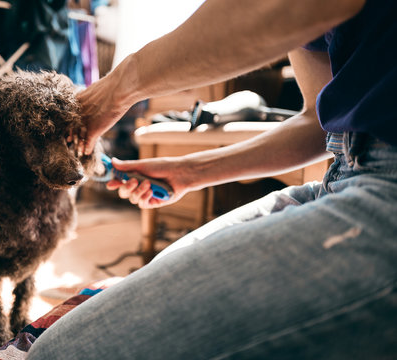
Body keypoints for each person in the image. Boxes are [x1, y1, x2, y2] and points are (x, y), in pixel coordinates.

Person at [27, 0, 397, 358]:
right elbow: (317, 123)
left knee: (58, 354)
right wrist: (188, 172)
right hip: (339, 177)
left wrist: (117, 87)